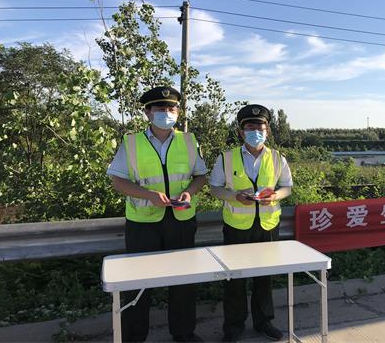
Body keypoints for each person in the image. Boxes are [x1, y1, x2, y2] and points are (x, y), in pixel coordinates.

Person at [107, 86, 208, 343]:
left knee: (183, 280)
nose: (167, 112)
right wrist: (148, 195)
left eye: (171, 108)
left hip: (181, 220)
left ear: (178, 112)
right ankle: (134, 337)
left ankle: (184, 333)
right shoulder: (131, 143)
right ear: (148, 112)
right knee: (138, 282)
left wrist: (189, 193)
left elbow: (201, 176)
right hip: (143, 223)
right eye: (160, 108)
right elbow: (118, 181)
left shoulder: (189, 141)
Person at [210, 104, 293, 342]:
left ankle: (263, 321)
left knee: (264, 276)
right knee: (234, 277)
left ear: (267, 130)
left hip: (268, 225)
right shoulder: (226, 158)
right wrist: (233, 196)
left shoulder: (277, 157)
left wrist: (275, 196)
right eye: (250, 127)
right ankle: (233, 326)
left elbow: (287, 187)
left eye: (260, 127)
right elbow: (215, 188)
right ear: (241, 131)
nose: (255, 131)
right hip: (236, 226)